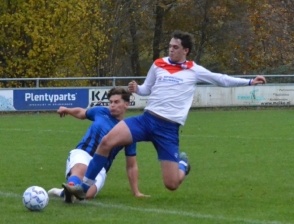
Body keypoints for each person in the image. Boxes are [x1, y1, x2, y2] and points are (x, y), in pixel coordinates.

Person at [63, 30, 267, 200]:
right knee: (107, 142)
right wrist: (137, 88)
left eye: (175, 47)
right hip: (146, 120)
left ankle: (183, 164)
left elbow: (220, 79)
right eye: (170, 45)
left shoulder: (193, 70)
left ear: (185, 50)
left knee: (171, 184)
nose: (171, 49)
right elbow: (146, 90)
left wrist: (249, 82)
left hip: (168, 129)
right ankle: (83, 187)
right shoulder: (159, 64)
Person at [48, 87, 148, 203]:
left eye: (116, 102)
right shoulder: (100, 112)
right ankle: (71, 186)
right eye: (110, 102)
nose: (112, 105)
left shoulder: (128, 131)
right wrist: (67, 109)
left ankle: (64, 192)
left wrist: (136, 192)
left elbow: (131, 165)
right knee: (80, 169)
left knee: (87, 194)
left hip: (101, 167)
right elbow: (81, 113)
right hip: (83, 153)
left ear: (126, 104)